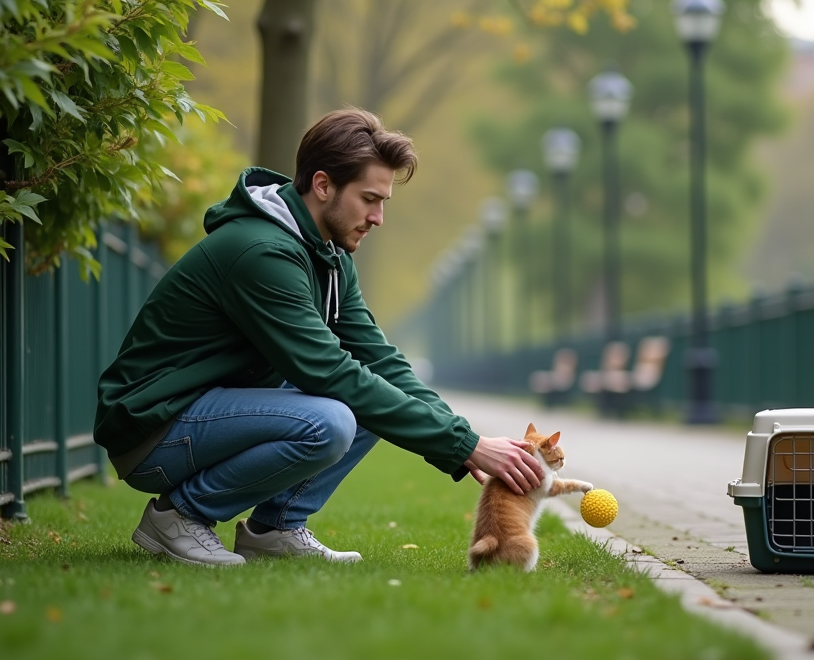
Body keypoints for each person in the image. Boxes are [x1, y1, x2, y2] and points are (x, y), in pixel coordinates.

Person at [94, 109, 544, 567]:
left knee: (375, 400)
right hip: (154, 429)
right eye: (369, 199)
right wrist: (465, 445)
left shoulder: (328, 256)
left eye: (383, 201)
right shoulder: (262, 252)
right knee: (330, 420)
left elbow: (380, 360)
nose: (378, 217)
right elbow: (328, 371)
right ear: (324, 185)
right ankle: (179, 516)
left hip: (207, 412)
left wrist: (463, 439)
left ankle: (276, 529)